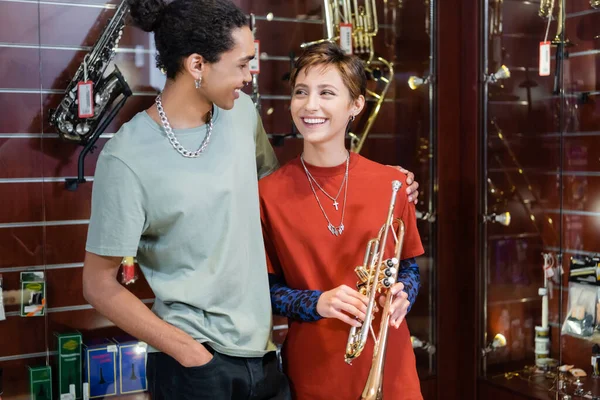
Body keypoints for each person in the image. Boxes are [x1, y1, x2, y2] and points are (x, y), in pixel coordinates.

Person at [82, 0, 420, 398]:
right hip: (196, 365)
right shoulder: (127, 156)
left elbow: (283, 195)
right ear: (197, 66)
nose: (249, 76)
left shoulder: (240, 112)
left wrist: (389, 185)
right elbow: (98, 285)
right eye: (241, 64)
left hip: (264, 357)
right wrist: (189, 352)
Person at [259, 42, 425, 400]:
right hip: (316, 369)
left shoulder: (393, 184)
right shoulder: (266, 194)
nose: (310, 105)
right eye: (301, 92)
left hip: (391, 364)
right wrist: (318, 303)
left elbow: (408, 267)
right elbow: (264, 291)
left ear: (356, 106)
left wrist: (404, 295)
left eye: (327, 93)